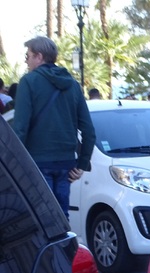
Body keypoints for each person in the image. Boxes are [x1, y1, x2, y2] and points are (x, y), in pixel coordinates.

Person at [12, 36, 95, 220]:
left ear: (39, 57)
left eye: (28, 56)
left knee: (42, 220)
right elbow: (88, 130)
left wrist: (15, 164)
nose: (26, 61)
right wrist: (81, 164)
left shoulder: (29, 82)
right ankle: (64, 248)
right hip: (66, 163)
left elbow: (20, 129)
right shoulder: (73, 85)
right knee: (62, 218)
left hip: (38, 163)